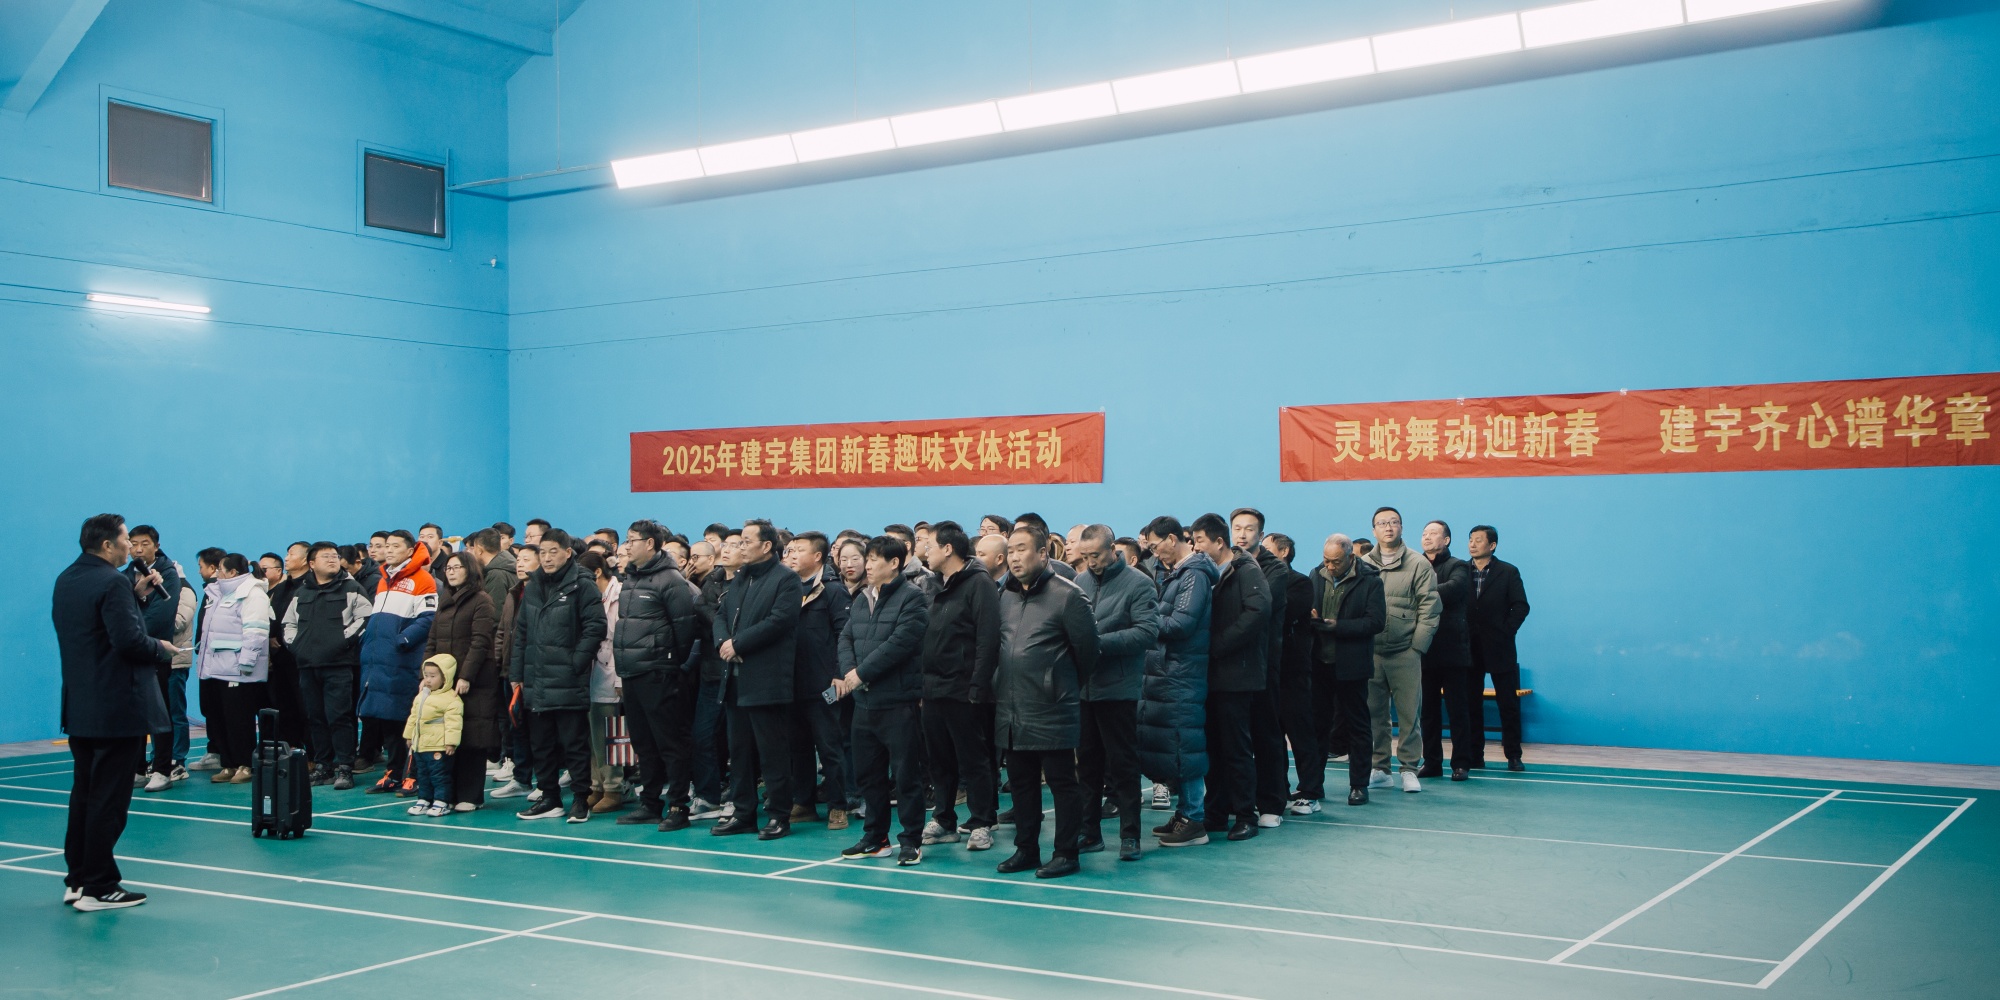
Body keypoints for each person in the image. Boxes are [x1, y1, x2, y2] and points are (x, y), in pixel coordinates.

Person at [53, 513, 176, 910]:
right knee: (109, 800)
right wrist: (161, 648)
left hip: (82, 706)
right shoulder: (111, 582)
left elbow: (97, 631)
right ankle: (100, 886)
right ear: (108, 545)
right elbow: (129, 642)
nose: (131, 547)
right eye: (126, 540)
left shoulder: (68, 578)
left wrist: (136, 596)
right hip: (118, 707)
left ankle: (78, 879)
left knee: (85, 795)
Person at [992, 522, 1099, 879]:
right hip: (1011, 707)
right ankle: (1026, 849)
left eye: (1021, 549)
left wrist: (1057, 684)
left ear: (1042, 554)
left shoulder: (1068, 595)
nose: (1014, 557)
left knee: (1062, 784)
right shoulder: (1005, 595)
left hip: (1053, 707)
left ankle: (1066, 853)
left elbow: (1089, 653)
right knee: (1021, 783)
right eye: (1010, 551)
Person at [833, 535, 931, 864]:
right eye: (868, 558)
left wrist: (862, 674)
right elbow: (846, 637)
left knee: (905, 776)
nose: (868, 564)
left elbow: (900, 644)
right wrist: (850, 672)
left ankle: (911, 840)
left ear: (894, 563)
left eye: (874, 559)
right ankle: (875, 838)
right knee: (868, 775)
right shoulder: (863, 598)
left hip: (898, 702)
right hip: (864, 703)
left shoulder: (912, 597)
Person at [1072, 523, 1157, 862]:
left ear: (1112, 549)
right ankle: (1089, 832)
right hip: (1084, 690)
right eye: (1085, 556)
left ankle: (1130, 835)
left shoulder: (1139, 583)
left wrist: (1097, 644)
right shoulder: (1078, 582)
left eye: (1095, 555)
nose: (1090, 561)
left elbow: (1147, 633)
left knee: (1123, 765)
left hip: (1118, 689)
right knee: (1087, 766)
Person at [712, 520, 802, 839]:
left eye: (746, 541)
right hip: (735, 680)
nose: (740, 547)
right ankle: (743, 813)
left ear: (766, 546)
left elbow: (779, 621)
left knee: (772, 753)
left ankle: (779, 815)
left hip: (766, 680)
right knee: (739, 753)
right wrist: (724, 642)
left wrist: (738, 644)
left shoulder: (786, 579)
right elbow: (721, 615)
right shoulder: (740, 577)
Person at [510, 529, 607, 822]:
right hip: (536, 679)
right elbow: (521, 632)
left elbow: (596, 627)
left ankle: (580, 799)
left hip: (568, 679)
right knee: (541, 745)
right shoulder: (533, 586)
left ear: (567, 553)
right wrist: (517, 673)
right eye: (543, 552)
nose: (547, 558)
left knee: (574, 744)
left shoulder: (582, 585)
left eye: (554, 551)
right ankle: (549, 798)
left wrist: (577, 662)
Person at [917, 521, 1000, 853]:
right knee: (939, 760)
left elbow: (988, 640)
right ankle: (944, 819)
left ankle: (982, 822)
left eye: (930, 546)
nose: (925, 552)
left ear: (948, 549)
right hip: (932, 688)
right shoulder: (932, 584)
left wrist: (977, 686)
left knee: (974, 760)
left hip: (964, 689)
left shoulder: (979, 583)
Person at [613, 520, 701, 831]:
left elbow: (685, 629)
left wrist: (670, 664)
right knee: (643, 742)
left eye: (632, 540)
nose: (626, 546)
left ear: (650, 543)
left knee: (671, 743)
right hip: (632, 672)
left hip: (659, 673)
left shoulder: (670, 580)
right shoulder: (631, 578)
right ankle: (649, 803)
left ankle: (678, 806)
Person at [1189, 512, 1268, 841]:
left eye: (1200, 541)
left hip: (1236, 675)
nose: (1195, 547)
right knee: (1213, 748)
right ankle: (1216, 812)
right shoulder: (1204, 572)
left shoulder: (1246, 570)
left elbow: (1258, 612)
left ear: (1219, 542)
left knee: (1237, 749)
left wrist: (1219, 645)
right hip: (1209, 674)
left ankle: (1246, 815)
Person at [1137, 516, 1214, 847]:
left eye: (1155, 546)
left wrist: (1143, 620)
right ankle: (1184, 814)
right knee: (1175, 745)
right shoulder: (1177, 574)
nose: (1154, 553)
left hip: (1183, 673)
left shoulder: (1193, 575)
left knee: (1186, 746)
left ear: (1172, 539)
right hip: (1169, 671)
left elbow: (1181, 624)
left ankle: (1194, 819)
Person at [1361, 507, 1439, 793]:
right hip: (1371, 652)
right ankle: (1380, 768)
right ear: (1374, 530)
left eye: (1394, 522)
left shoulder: (1418, 563)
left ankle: (1408, 768)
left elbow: (1430, 607)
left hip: (1405, 650)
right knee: (1374, 714)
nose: (1388, 527)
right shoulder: (1362, 564)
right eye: (1382, 523)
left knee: (1409, 715)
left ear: (1402, 527)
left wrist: (1417, 647)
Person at [284, 541, 371, 790]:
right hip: (308, 666)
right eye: (326, 556)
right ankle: (323, 766)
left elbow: (365, 618)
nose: (333, 559)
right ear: (312, 564)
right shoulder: (301, 592)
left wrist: (342, 642)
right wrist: (297, 647)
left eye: (334, 556)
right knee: (315, 717)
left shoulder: (352, 588)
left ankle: (345, 767)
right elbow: (288, 624)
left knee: (339, 717)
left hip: (339, 665)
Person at [357, 530, 437, 795]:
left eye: (395, 546)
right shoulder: (384, 581)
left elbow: (428, 618)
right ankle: (392, 773)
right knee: (387, 720)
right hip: (379, 662)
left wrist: (402, 640)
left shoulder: (422, 579)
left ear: (410, 550)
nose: (388, 550)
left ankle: (413, 775)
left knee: (407, 720)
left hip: (403, 660)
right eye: (387, 546)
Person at [1309, 534, 1386, 805]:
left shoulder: (1371, 581)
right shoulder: (1316, 575)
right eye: (1326, 561)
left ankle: (1359, 786)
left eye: (1336, 562)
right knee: (1318, 727)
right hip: (1319, 663)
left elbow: (1375, 622)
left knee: (1358, 727)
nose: (1330, 566)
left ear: (1351, 557)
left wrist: (1338, 626)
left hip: (1352, 666)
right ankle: (1312, 786)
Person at [785, 532, 853, 829]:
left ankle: (838, 806)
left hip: (825, 685)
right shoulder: (787, 589)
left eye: (799, 550)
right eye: (790, 550)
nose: (792, 555)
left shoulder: (833, 591)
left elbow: (844, 635)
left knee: (829, 746)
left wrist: (839, 674)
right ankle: (804, 802)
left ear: (817, 557)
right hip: (791, 683)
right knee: (797, 746)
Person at [425, 550, 501, 810]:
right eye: (448, 568)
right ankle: (449, 794)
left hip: (475, 681)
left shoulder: (482, 600)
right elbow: (432, 639)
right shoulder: (445, 600)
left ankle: (471, 796)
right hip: (444, 683)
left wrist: (466, 675)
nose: (452, 572)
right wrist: (426, 674)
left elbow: (480, 642)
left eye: (457, 567)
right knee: (448, 737)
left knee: (472, 737)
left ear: (470, 570)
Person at [1230, 507, 1291, 829]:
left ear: (1261, 534)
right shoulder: (1226, 563)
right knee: (1235, 738)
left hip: (1265, 663)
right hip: (1232, 666)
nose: (1242, 534)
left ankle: (1272, 802)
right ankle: (1238, 800)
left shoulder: (1275, 569)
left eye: (1249, 528)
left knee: (1267, 735)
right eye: (1237, 528)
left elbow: (1253, 610)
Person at [196, 553, 274, 783]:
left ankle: (245, 764)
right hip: (216, 669)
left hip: (238, 670)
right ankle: (228, 764)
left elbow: (256, 631)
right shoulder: (216, 593)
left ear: (232, 572)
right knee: (219, 717)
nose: (217, 573)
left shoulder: (253, 593)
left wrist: (246, 663)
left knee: (239, 719)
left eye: (220, 569)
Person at [1262, 533, 1321, 813]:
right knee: (1272, 735)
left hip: (1293, 669)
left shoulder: (1300, 582)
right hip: (1268, 669)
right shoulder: (1259, 580)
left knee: (1300, 733)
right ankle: (1279, 788)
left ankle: (1311, 791)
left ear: (1283, 552)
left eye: (1267, 548)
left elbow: (1280, 611)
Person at [123, 525, 184, 790]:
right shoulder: (125, 575)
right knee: (134, 714)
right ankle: (137, 769)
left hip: (156, 653)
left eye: (144, 543)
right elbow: (120, 611)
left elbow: (160, 616)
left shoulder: (167, 574)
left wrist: (131, 635)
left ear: (156, 546)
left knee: (159, 713)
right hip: (131, 655)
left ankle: (161, 769)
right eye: (133, 543)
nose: (138, 549)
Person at [1466, 525, 1531, 771]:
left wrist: (1506, 631)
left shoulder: (1508, 571)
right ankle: (1475, 755)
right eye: (1470, 540)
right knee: (1471, 704)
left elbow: (1521, 606)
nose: (1472, 544)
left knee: (1508, 704)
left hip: (1500, 646)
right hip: (1469, 648)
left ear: (1492, 545)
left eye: (1478, 540)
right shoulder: (1461, 570)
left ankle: (1513, 755)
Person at [1419, 521, 1477, 782]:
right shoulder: (1416, 564)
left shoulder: (1458, 565)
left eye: (1433, 533)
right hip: (1424, 648)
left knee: (1457, 710)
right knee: (1428, 712)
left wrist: (1420, 593)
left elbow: (1453, 590)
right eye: (1424, 533)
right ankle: (1432, 762)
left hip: (1453, 650)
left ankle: (1461, 763)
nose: (1427, 537)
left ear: (1447, 540)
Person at [689, 531, 740, 819]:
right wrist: (720, 621)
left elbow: (737, 619)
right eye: (726, 545)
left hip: (740, 672)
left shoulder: (750, 582)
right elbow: (702, 608)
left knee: (738, 740)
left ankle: (737, 796)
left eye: (736, 545)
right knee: (702, 735)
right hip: (711, 670)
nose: (727, 549)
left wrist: (719, 618)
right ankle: (708, 797)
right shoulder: (714, 580)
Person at [490, 545, 540, 800]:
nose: (519, 564)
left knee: (539, 731)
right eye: (518, 559)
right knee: (516, 727)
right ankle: (521, 779)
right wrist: (500, 661)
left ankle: (544, 782)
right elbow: (503, 630)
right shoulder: (513, 592)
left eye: (526, 559)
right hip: (510, 672)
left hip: (534, 673)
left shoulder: (541, 592)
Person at [580, 551, 628, 814]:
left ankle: (614, 788)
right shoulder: (591, 596)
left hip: (612, 670)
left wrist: (620, 676)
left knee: (611, 731)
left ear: (597, 572)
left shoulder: (620, 595)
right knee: (592, 732)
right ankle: (596, 785)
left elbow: (622, 639)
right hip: (593, 671)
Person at [403, 655, 464, 818]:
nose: (428, 680)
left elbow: (454, 723)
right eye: (426, 675)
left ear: (445, 677)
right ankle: (424, 799)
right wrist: (409, 736)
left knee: (440, 775)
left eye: (433, 676)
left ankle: (442, 801)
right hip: (420, 746)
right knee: (423, 775)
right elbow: (413, 717)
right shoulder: (421, 696)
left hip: (438, 746)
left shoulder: (451, 699)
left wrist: (451, 742)